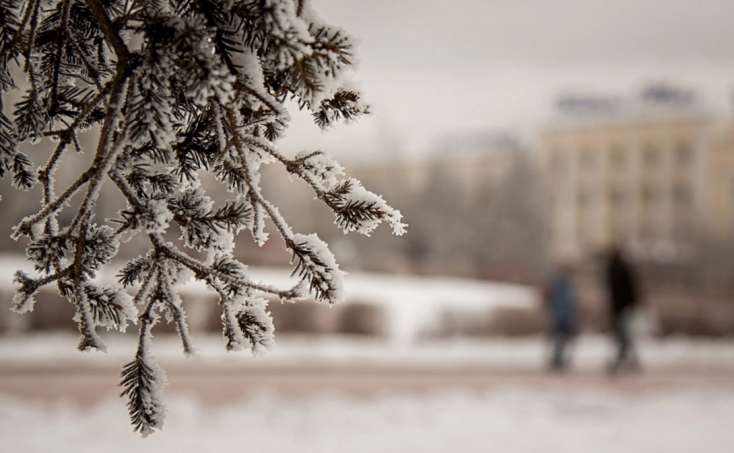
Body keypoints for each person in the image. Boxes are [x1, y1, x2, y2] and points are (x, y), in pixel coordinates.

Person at [604, 246, 641, 374]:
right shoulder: (622, 269)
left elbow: (617, 291)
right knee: (624, 336)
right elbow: (631, 289)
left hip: (619, 308)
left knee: (623, 336)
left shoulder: (613, 270)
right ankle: (626, 360)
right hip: (623, 308)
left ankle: (622, 360)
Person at [544, 263, 579, 371]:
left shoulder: (565, 284)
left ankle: (558, 358)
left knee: (561, 338)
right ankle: (557, 358)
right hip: (561, 315)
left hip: (562, 314)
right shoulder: (561, 284)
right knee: (560, 338)